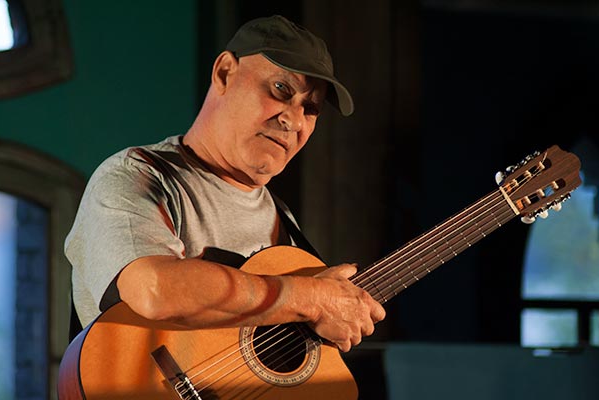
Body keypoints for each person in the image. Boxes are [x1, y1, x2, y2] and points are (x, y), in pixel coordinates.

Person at [65, 15, 385, 354]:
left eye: (310, 108)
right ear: (224, 73)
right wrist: (312, 297)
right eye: (281, 89)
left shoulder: (285, 223)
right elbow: (154, 289)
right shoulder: (136, 175)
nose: (293, 119)